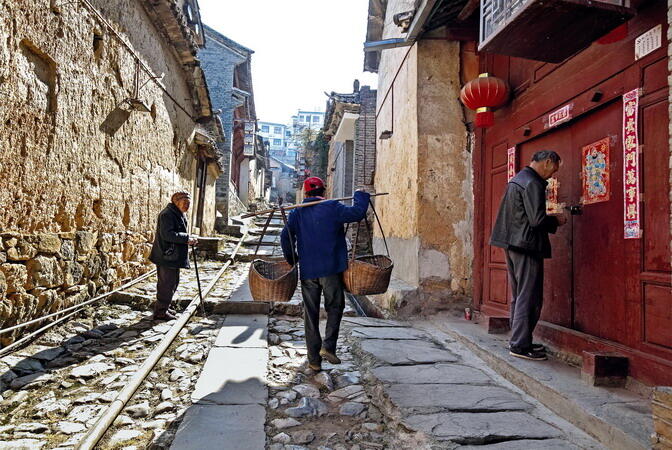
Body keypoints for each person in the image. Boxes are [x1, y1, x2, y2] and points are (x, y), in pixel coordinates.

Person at [281, 177, 370, 372]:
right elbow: (357, 213)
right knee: (335, 306)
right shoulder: (333, 207)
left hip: (308, 271)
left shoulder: (297, 212)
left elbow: (285, 236)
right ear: (324, 191)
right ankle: (328, 346)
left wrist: (293, 259)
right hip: (331, 269)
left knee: (310, 314)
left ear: (306, 193)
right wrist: (360, 195)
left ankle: (314, 360)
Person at [490, 150, 567, 361]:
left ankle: (518, 340)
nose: (552, 174)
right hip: (526, 245)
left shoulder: (518, 179)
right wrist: (556, 220)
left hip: (512, 243)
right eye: (554, 169)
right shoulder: (533, 183)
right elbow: (537, 220)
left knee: (520, 295)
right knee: (529, 296)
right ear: (547, 162)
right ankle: (520, 345)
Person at [149, 190, 198, 321]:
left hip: (172, 256)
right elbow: (167, 235)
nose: (187, 205)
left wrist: (187, 238)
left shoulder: (177, 213)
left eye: (189, 203)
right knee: (166, 284)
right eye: (184, 202)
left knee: (173, 282)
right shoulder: (167, 215)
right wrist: (186, 238)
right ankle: (160, 312)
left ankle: (164, 306)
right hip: (166, 255)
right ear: (176, 202)